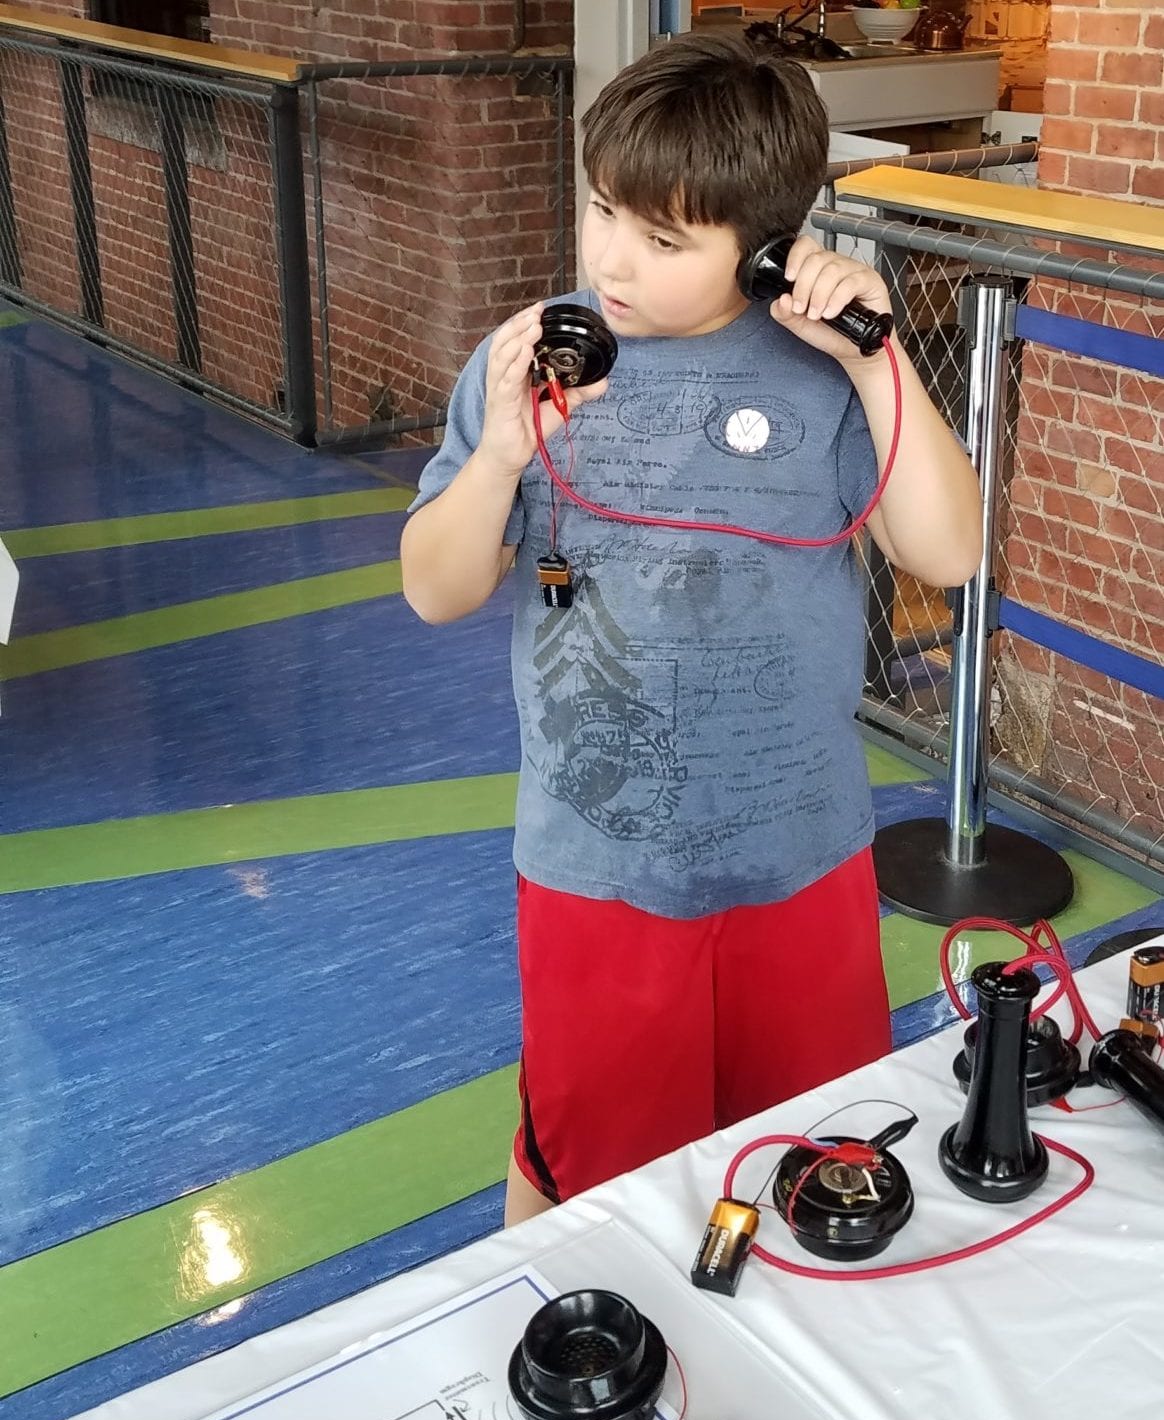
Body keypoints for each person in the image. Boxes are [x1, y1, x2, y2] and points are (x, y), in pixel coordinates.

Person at [401, 31, 982, 1224]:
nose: (612, 260)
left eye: (664, 240)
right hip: (597, 869)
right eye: (605, 210)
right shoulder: (534, 366)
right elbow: (435, 587)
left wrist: (876, 365)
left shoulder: (819, 377)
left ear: (762, 249)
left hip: (800, 866)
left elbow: (949, 552)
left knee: (813, 1167)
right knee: (589, 1180)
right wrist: (505, 449)